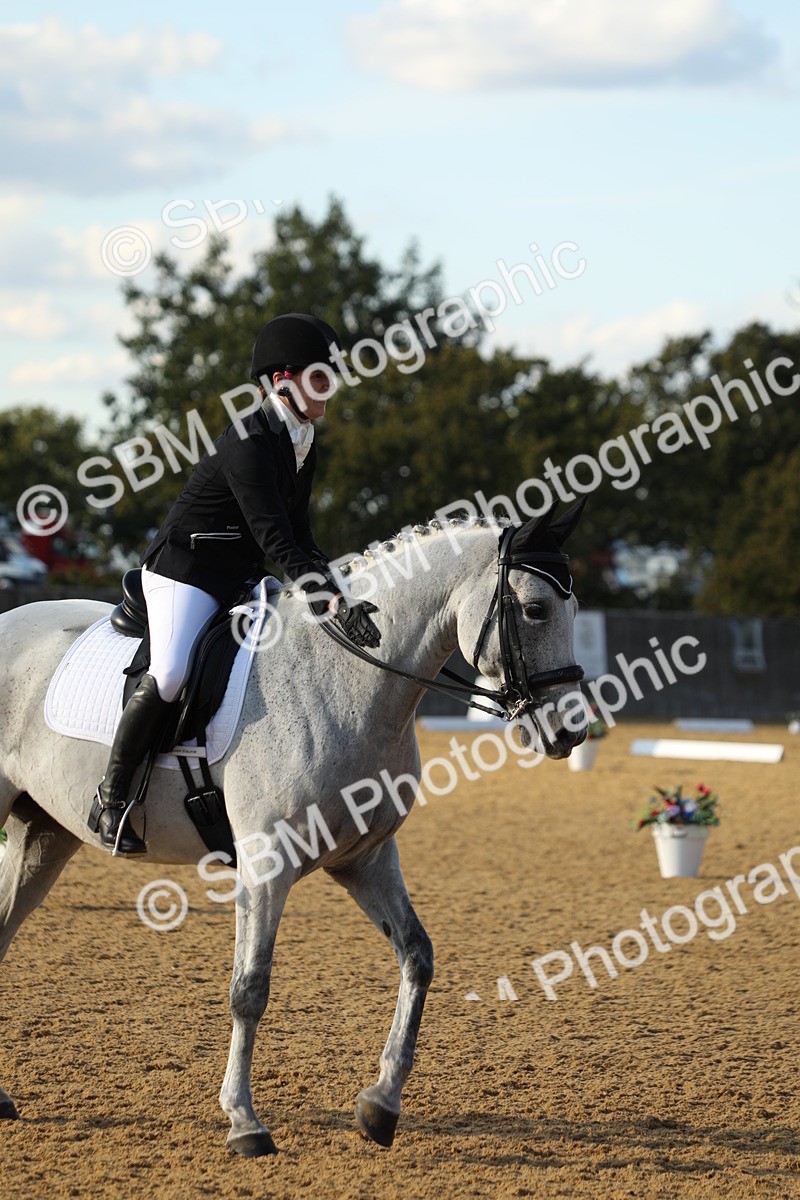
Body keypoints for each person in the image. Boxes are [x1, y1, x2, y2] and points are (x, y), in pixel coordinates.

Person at [89, 312, 380, 854]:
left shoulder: (303, 437)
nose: (330, 389)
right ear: (280, 381)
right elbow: (275, 539)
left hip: (240, 575)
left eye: (331, 376)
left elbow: (302, 533)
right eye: (321, 377)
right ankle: (111, 797)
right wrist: (326, 600)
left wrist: (341, 591)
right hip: (188, 571)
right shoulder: (248, 441)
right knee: (172, 672)